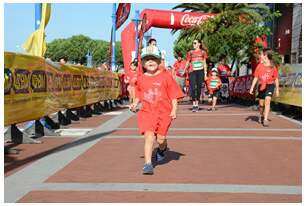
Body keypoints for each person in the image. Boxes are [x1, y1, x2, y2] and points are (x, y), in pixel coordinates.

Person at [129, 45, 184, 175]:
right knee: (149, 137)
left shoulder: (166, 77)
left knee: (160, 139)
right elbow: (139, 93)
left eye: (153, 58)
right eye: (147, 59)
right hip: (147, 112)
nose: (150, 61)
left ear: (159, 61)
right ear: (142, 63)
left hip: (164, 113)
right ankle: (148, 164)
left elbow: (173, 95)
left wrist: (174, 110)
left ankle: (161, 149)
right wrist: (135, 103)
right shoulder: (141, 79)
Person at [249, 48, 280, 127]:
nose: (260, 56)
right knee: (261, 105)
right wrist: (252, 88)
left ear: (265, 56)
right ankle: (261, 115)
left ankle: (265, 119)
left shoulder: (273, 66)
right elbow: (256, 77)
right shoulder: (259, 66)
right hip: (261, 85)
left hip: (270, 85)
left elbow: (276, 78)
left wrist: (277, 89)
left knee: (267, 100)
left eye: (261, 54)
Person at [184, 39, 208, 112]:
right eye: (193, 43)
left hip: (200, 71)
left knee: (199, 88)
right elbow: (188, 61)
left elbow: (204, 63)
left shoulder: (203, 52)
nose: (193, 44)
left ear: (199, 44)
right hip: (192, 71)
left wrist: (205, 73)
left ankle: (197, 104)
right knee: (193, 88)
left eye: (195, 43)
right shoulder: (190, 52)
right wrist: (184, 69)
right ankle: (194, 104)